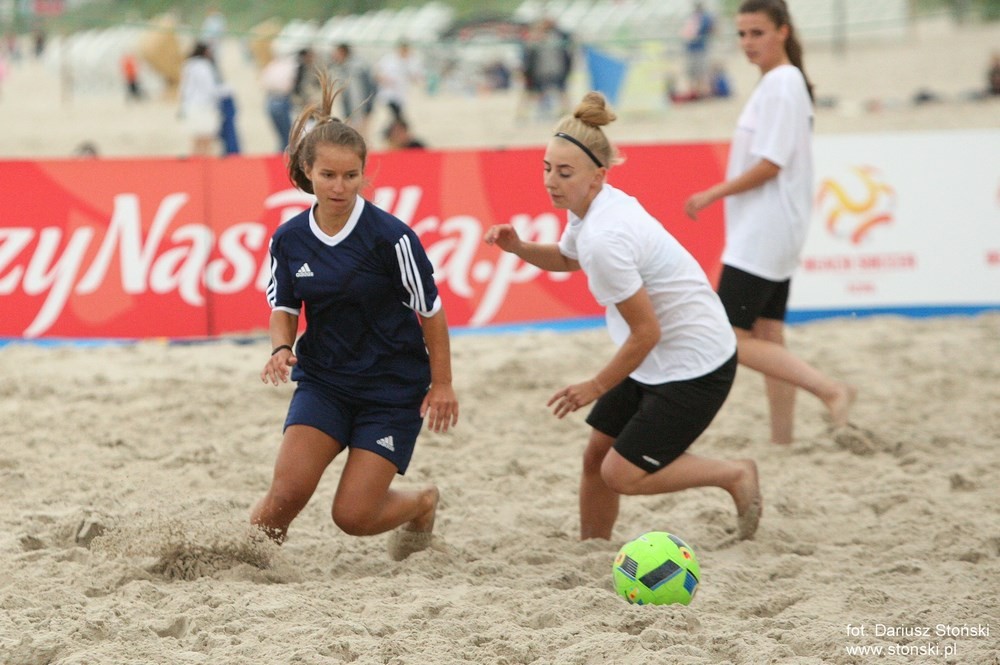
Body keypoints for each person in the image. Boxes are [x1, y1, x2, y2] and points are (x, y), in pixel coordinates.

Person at [484, 92, 761, 542]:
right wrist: (518, 248)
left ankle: (734, 473)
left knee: (621, 474)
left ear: (598, 177)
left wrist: (593, 387)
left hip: (696, 365)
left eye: (564, 172)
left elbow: (645, 331)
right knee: (596, 456)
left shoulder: (605, 235)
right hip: (660, 355)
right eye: (546, 167)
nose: (551, 181)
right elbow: (568, 259)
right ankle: (592, 549)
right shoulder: (593, 207)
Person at [251, 69, 458, 560]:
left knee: (353, 517)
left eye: (350, 175)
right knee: (285, 497)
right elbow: (284, 305)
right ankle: (245, 566)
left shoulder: (392, 238)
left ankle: (423, 501)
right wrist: (282, 347)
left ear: (365, 174)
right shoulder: (290, 238)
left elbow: (431, 313)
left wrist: (443, 384)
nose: (339, 186)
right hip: (325, 381)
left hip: (391, 389)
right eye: (328, 175)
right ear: (307, 173)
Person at [683, 0, 855, 445]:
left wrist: (712, 192)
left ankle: (830, 389)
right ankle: (783, 440)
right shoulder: (780, 83)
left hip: (764, 230)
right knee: (768, 335)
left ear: (782, 31)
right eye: (741, 34)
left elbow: (771, 164)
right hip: (774, 227)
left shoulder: (782, 83)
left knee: (725, 337)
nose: (747, 43)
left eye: (756, 33)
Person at [178, 42, 222, 157]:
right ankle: (205, 170)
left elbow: (183, 89)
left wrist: (182, 106)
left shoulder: (188, 65)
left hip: (190, 105)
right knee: (206, 140)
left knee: (195, 140)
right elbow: (210, 88)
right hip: (204, 106)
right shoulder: (204, 66)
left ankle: (194, 168)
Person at [329, 43, 377, 141]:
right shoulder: (342, 68)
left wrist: (362, 111)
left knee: (361, 137)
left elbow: (358, 92)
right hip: (353, 111)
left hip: (359, 110)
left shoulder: (356, 69)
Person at [374, 41, 422, 123]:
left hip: (402, 94)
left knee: (396, 117)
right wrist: (385, 80)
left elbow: (416, 77)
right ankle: (389, 132)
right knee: (397, 116)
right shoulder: (388, 59)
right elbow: (377, 74)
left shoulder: (411, 61)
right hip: (389, 93)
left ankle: (389, 132)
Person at [259, 51, 297, 152]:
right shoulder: (289, 66)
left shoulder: (272, 66)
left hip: (272, 99)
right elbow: (288, 85)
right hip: (280, 99)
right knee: (286, 135)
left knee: (283, 135)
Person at [681, 1, 716, 99]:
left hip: (699, 48)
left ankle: (699, 92)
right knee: (695, 72)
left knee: (700, 72)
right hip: (694, 48)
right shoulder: (695, 17)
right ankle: (696, 92)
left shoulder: (704, 17)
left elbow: (712, 29)